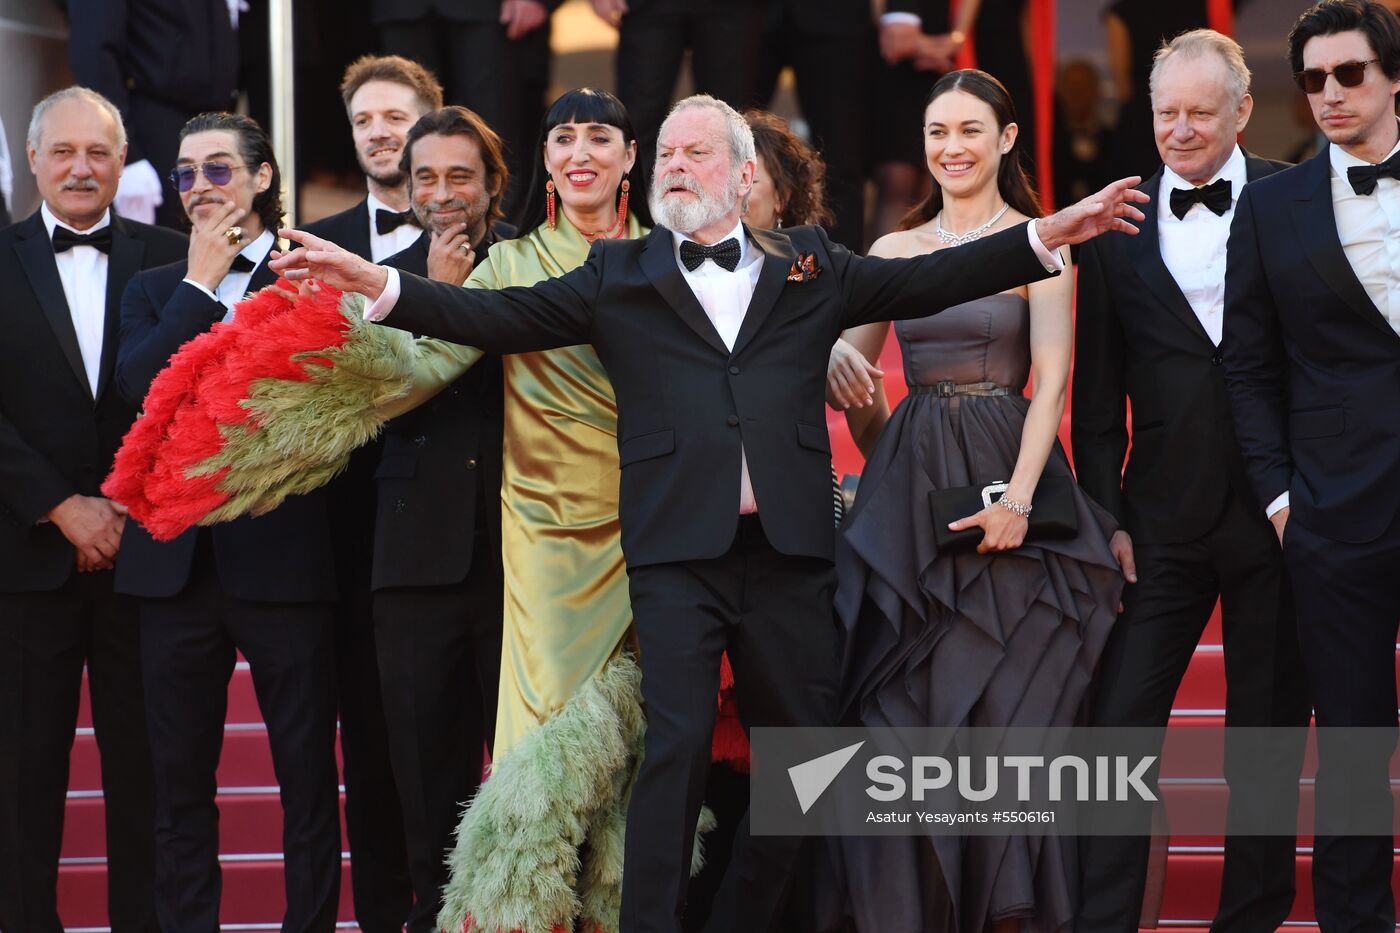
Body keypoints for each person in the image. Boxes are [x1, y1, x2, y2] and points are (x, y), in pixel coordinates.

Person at [270, 91, 1146, 933]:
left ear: (739, 174)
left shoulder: (809, 262)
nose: (677, 166)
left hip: (789, 554)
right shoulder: (618, 272)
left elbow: (933, 277)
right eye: (669, 154)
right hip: (677, 554)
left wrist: (1040, 237)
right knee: (677, 752)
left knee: (812, 765)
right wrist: (381, 284)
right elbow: (493, 315)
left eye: (698, 153)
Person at [820, 68, 1123, 933]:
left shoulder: (1045, 241)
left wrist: (1019, 502)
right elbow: (861, 389)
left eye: (968, 130)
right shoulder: (890, 253)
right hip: (909, 478)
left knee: (1004, 707)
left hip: (1009, 469)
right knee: (900, 706)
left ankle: (1004, 907)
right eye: (935, 132)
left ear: (1007, 138)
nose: (950, 148)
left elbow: (1054, 381)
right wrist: (843, 375)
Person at [1072, 30, 1309, 933]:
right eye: (1166, 112)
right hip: (1158, 521)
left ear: (1243, 113)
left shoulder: (1298, 200)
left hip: (1275, 515)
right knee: (1118, 728)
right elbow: (1094, 400)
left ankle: (1249, 919)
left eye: (1199, 113)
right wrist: (1107, 516)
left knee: (1265, 738)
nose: (1178, 129)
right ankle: (1103, 919)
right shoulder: (1114, 223)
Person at [114, 112, 342, 933]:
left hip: (282, 560)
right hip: (171, 571)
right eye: (183, 173)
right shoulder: (149, 287)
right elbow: (142, 391)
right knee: (177, 786)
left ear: (262, 178)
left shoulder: (308, 278)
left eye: (217, 170)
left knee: (307, 780)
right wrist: (197, 286)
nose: (198, 188)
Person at [1222, 2, 1400, 929]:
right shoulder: (1271, 203)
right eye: (1315, 78)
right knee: (1356, 747)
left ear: (1394, 77)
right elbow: (1246, 364)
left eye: (1351, 74)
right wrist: (1284, 498)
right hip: (1334, 511)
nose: (1330, 94)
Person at [0, 85, 186, 933]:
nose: (81, 167)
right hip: (23, 563)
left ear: (121, 163)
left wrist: (117, 502)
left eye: (99, 152)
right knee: (19, 786)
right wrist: (59, 506)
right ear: (32, 160)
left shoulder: (179, 258)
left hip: (147, 563)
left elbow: (195, 396)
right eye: (64, 151)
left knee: (148, 783)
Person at [303, 55, 448, 933]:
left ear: (430, 124)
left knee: (452, 743)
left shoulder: (490, 237)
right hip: (355, 539)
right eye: (364, 120)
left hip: (467, 526)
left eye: (396, 117)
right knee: (369, 741)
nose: (380, 133)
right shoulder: (315, 245)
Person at [369, 105, 512, 933]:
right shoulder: (374, 275)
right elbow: (359, 404)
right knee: (424, 777)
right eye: (427, 176)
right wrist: (431, 297)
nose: (444, 192)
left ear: (492, 181)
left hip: (522, 552)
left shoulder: (538, 261)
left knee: (531, 773)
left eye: (461, 174)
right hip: (412, 559)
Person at [371, 0, 558, 217]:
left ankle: (501, 241)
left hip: (491, 12)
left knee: (497, 136)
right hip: (400, 10)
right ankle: (416, 235)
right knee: (405, 131)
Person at [66, 0, 240, 228]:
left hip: (211, 124)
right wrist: (126, 156)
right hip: (151, 128)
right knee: (161, 250)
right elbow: (94, 51)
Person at [594, 0, 767, 229]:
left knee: (729, 124)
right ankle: (631, 238)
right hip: (649, 7)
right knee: (636, 124)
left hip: (731, 8)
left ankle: (724, 235)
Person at [1102, 0, 1209, 182]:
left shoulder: (1122, 12)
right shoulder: (1204, 6)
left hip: (1144, 120)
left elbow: (1122, 85)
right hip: (1197, 113)